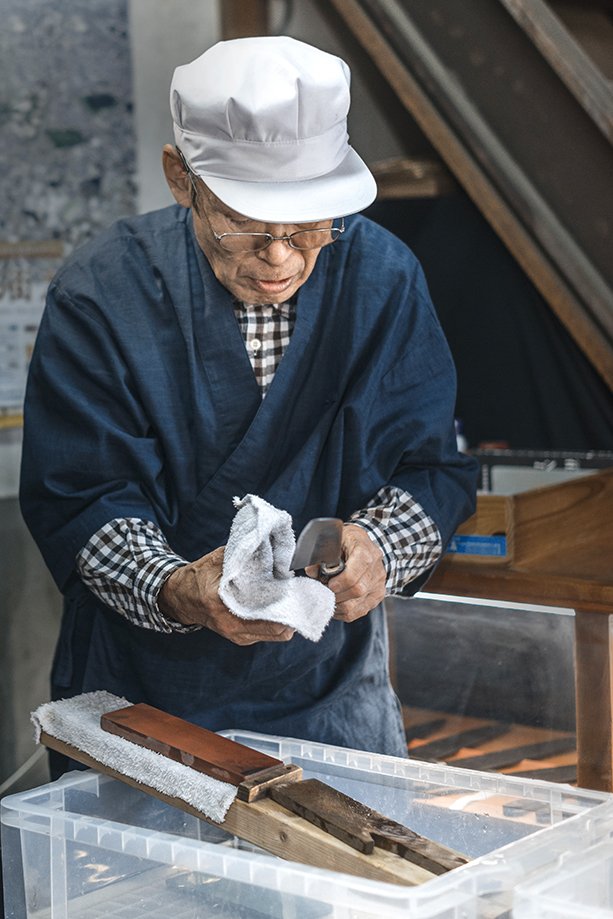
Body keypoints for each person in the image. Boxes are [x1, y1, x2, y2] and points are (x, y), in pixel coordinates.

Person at [20, 36, 478, 775]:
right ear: (181, 178)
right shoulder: (101, 295)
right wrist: (179, 587)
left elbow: (432, 470)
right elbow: (82, 498)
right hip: (143, 694)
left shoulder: (382, 278)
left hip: (329, 694)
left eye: (308, 225)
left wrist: (380, 550)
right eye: (246, 224)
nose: (281, 259)